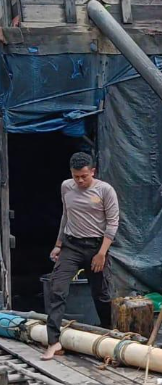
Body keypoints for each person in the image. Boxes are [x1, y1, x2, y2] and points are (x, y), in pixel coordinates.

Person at [43, 152, 119, 360]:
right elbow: (66, 215)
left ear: (92, 171)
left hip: (96, 246)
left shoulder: (105, 191)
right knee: (57, 289)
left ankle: (108, 334)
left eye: (84, 176)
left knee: (101, 294)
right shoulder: (66, 187)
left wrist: (102, 253)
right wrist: (58, 244)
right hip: (72, 245)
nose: (80, 180)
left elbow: (112, 223)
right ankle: (54, 342)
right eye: (76, 176)